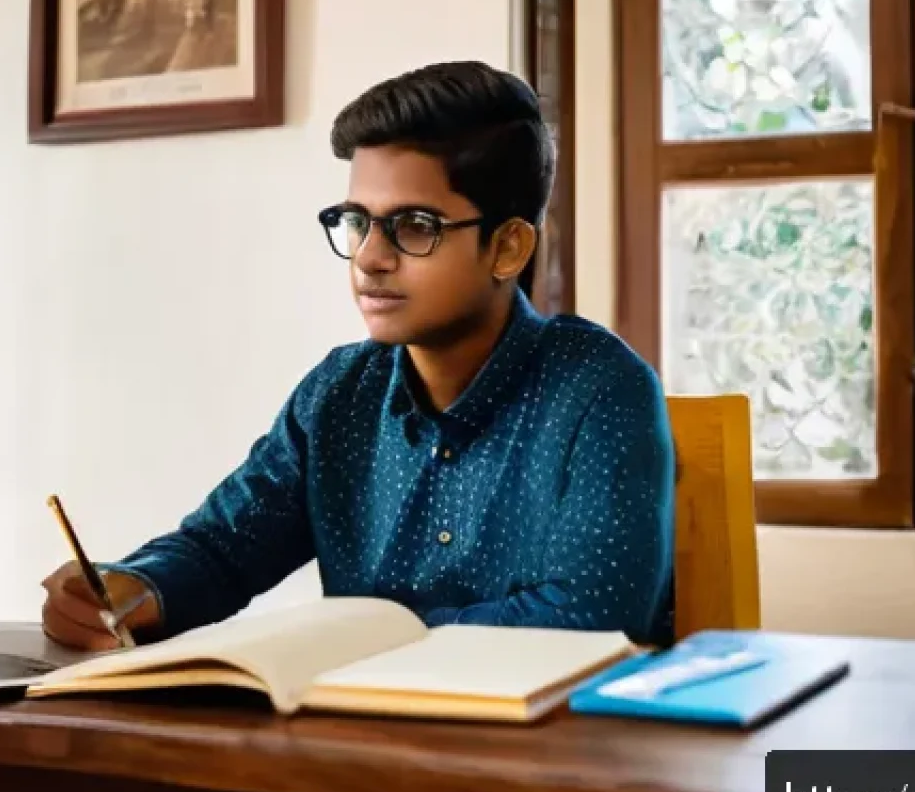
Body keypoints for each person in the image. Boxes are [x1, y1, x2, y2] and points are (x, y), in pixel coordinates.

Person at [41, 61, 676, 652]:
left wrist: (355, 641)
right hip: (356, 756)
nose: (371, 256)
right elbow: (223, 549)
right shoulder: (339, 393)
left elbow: (595, 616)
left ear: (508, 248)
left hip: (542, 761)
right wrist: (132, 589)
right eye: (357, 222)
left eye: (416, 226)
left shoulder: (599, 388)